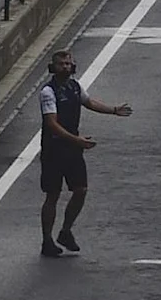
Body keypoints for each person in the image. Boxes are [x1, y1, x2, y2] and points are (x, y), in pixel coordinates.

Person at [36, 48, 129, 256]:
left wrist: (113, 110)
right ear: (53, 67)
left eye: (68, 64)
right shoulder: (48, 92)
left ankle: (66, 231)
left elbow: (89, 102)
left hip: (72, 149)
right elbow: (52, 123)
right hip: (53, 151)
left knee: (81, 190)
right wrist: (76, 139)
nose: (65, 67)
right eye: (61, 64)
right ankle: (47, 240)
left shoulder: (75, 87)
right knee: (53, 194)